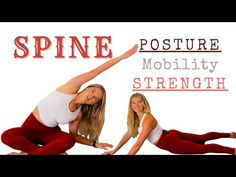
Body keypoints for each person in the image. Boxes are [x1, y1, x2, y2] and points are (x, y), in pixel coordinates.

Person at [1, 44, 139, 155]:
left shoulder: (77, 114)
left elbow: (74, 136)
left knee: (68, 141)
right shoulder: (71, 87)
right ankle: (43, 152)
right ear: (86, 88)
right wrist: (123, 56)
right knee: (6, 136)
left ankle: (27, 154)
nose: (91, 96)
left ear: (93, 104)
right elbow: (97, 71)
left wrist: (94, 144)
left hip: (49, 135)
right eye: (92, 91)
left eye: (95, 99)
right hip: (30, 130)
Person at [102, 92, 236, 155]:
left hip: (170, 142)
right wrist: (114, 151)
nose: (136, 105)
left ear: (144, 103)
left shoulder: (147, 119)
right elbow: (128, 134)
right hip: (171, 134)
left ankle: (233, 151)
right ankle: (230, 135)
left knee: (204, 148)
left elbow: (138, 144)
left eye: (139, 102)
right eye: (133, 102)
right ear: (130, 106)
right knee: (201, 138)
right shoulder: (137, 120)